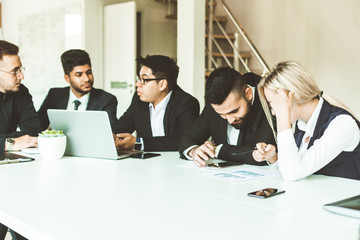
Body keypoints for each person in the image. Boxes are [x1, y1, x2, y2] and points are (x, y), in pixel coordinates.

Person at [257, 61, 360, 181]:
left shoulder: (342, 124)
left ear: (291, 96)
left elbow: (292, 173)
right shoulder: (303, 124)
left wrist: (283, 114)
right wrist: (274, 158)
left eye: (272, 104)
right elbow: (299, 165)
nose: (273, 112)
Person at [178, 67, 276, 167]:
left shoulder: (269, 100)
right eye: (221, 114)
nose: (230, 120)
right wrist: (194, 151)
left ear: (248, 94)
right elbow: (187, 139)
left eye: (234, 111)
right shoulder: (216, 104)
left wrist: (217, 150)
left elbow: (262, 153)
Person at [114, 55, 200, 151]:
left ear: (162, 84)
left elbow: (183, 140)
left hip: (174, 162)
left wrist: (139, 143)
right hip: (146, 162)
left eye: (144, 80)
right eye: (138, 78)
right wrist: (112, 135)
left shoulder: (187, 104)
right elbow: (122, 126)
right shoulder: (139, 99)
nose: (137, 84)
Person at [0, 40, 40, 239]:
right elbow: (21, 137)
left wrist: (5, 141)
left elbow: (33, 130)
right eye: (15, 71)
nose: (21, 76)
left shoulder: (21, 91)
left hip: (13, 171)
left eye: (21, 69)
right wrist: (10, 142)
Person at [38, 49, 118, 131]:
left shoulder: (106, 100)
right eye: (79, 75)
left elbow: (111, 133)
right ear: (67, 78)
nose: (86, 79)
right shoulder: (54, 95)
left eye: (89, 72)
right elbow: (37, 125)